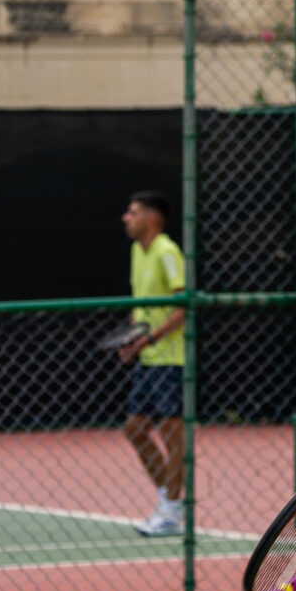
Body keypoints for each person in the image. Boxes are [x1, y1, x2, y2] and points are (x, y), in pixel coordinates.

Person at [119, 190, 186, 537]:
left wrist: (151, 338)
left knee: (174, 436)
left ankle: (172, 511)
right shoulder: (136, 251)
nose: (125, 218)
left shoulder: (167, 252)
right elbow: (141, 304)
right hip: (148, 357)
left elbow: (182, 306)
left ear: (152, 219)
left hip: (171, 360)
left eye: (132, 212)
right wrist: (134, 339)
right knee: (134, 429)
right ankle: (168, 500)